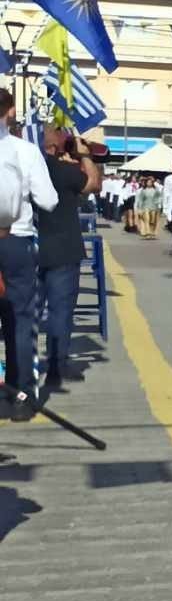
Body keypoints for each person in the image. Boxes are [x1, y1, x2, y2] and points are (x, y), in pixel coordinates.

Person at [0, 93, 57, 417]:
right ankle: (21, 396)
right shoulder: (25, 150)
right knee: (20, 321)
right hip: (15, 239)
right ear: (10, 112)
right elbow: (48, 200)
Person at [32, 126, 98, 393]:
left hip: (29, 249)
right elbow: (93, 183)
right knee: (60, 311)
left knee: (27, 312)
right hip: (63, 250)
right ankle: (57, 366)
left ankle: (24, 366)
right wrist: (85, 155)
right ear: (52, 147)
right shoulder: (62, 170)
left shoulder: (23, 169)